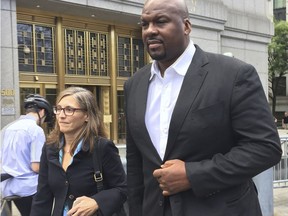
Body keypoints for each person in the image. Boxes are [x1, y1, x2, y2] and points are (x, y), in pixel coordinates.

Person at [124, 0, 282, 215]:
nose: (151, 30)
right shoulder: (134, 84)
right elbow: (135, 166)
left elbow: (265, 148)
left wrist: (193, 175)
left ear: (186, 26)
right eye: (145, 24)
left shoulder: (233, 74)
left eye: (161, 22)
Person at [30, 87, 127, 216]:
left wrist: (96, 202)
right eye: (59, 109)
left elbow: (123, 189)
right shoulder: (50, 148)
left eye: (69, 110)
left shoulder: (102, 147)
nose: (62, 115)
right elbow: (42, 197)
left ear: (87, 115)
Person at [1, 94, 53, 216]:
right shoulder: (35, 130)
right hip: (28, 187)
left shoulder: (8, 128)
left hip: (8, 187)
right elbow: (36, 166)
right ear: (42, 111)